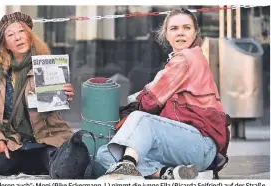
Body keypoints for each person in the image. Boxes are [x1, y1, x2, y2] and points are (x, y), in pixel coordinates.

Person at [96, 8, 228, 180]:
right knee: (105, 154)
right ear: (166, 34)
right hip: (182, 147)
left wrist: (133, 102)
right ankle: (168, 173)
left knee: (140, 118)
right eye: (174, 28)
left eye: (186, 28)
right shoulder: (181, 59)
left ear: (195, 32)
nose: (180, 33)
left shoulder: (187, 58)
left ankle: (127, 167)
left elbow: (150, 101)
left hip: (200, 144)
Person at [0, 12, 75, 176]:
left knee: (62, 165)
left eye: (21, 32)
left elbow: (52, 107)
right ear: (5, 44)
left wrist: (64, 94)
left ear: (29, 36)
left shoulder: (47, 65)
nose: (17, 38)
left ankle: (51, 159)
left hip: (46, 139)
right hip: (14, 142)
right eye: (10, 34)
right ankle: (35, 163)